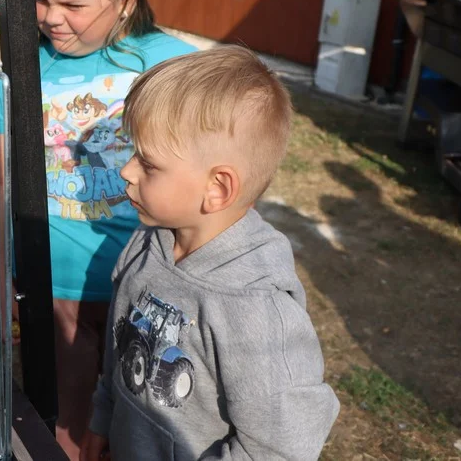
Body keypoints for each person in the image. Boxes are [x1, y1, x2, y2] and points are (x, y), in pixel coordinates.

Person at [0, 0, 197, 460]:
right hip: (56, 284)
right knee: (67, 419)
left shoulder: (174, 67)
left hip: (151, 285)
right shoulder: (21, 68)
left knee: (146, 417)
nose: (50, 18)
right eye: (40, 0)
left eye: (72, 5)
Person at [80, 45, 340, 461]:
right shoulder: (148, 242)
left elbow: (280, 448)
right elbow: (121, 347)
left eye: (148, 164)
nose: (126, 171)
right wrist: (102, 418)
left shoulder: (255, 308)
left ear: (216, 188)